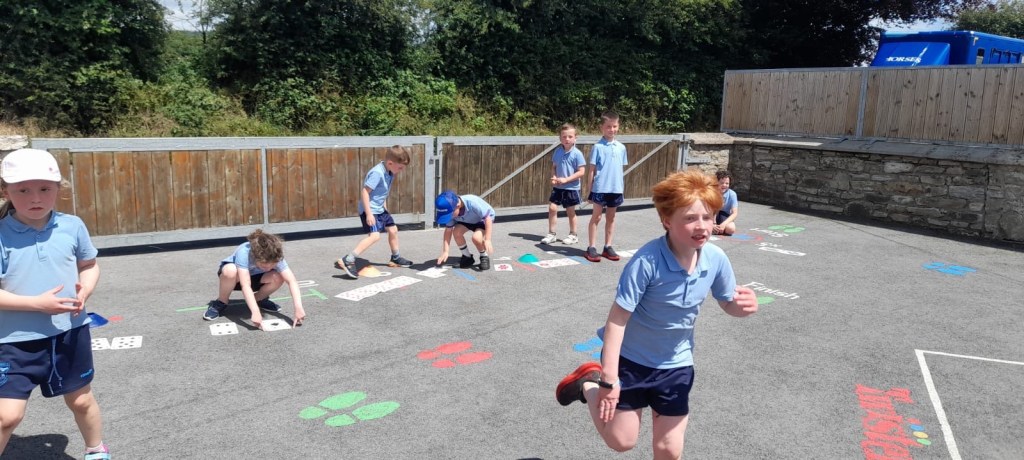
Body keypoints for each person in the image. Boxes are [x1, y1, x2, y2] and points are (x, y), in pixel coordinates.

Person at [555, 169, 758, 460]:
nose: (702, 226)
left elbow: (728, 303)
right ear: (666, 220)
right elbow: (617, 321)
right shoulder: (646, 262)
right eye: (690, 218)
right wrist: (609, 379)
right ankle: (588, 385)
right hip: (631, 362)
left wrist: (743, 307)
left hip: (676, 365)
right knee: (621, 441)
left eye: (707, 217)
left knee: (669, 450)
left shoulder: (716, 259)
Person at [0, 149, 110, 459]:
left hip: (69, 333)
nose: (35, 197)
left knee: (81, 400)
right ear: (5, 191)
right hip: (14, 343)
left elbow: (89, 265)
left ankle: (96, 449)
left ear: (58, 189)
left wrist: (85, 291)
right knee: (7, 416)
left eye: (44, 189)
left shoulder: (72, 225)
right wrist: (37, 304)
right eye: (23, 190)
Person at [203, 229, 306, 330]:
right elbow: (245, 285)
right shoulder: (244, 251)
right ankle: (221, 302)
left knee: (279, 276)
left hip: (257, 278)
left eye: (272, 265)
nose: (269, 269)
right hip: (236, 279)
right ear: (255, 257)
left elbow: (291, 281)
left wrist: (298, 308)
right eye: (264, 266)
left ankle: (259, 299)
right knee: (230, 271)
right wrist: (255, 312)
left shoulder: (275, 254)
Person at [336, 145, 413, 279]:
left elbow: (381, 193)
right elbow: (365, 192)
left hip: (380, 209)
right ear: (390, 163)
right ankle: (348, 259)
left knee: (393, 230)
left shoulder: (389, 172)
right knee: (375, 236)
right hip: (370, 210)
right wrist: (369, 214)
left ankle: (395, 257)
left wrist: (385, 209)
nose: (401, 170)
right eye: (400, 167)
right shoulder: (377, 173)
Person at [585, 111, 628, 262]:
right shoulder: (597, 147)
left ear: (618, 126)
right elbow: (591, 170)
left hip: (615, 189)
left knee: (611, 217)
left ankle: (607, 246)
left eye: (614, 126)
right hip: (600, 188)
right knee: (596, 217)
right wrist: (590, 191)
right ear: (602, 128)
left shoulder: (621, 147)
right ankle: (591, 247)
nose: (612, 129)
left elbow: (619, 169)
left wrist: (621, 188)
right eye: (608, 126)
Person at [540, 123, 587, 246]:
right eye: (564, 137)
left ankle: (573, 235)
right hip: (558, 187)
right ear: (560, 138)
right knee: (552, 208)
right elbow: (554, 167)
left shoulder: (577, 154)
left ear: (575, 138)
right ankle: (551, 234)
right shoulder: (557, 151)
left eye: (570, 137)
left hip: (571, 188)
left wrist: (566, 180)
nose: (567, 139)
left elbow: (581, 172)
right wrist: (554, 177)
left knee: (570, 211)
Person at [434, 190, 495, 271]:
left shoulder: (472, 202)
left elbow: (488, 219)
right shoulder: (452, 210)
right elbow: (448, 231)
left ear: (458, 205)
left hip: (482, 220)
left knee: (476, 238)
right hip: (466, 220)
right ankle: (467, 257)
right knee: (456, 232)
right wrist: (445, 251)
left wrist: (487, 239)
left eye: (449, 214)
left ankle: (484, 256)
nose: (449, 217)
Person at [713, 170, 738, 236]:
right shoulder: (712, 192)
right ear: (716, 182)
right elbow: (710, 210)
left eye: (727, 183)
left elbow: (734, 213)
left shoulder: (732, 194)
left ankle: (719, 228)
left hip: (724, 215)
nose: (724, 185)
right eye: (722, 183)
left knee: (731, 229)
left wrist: (723, 224)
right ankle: (714, 228)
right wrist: (713, 223)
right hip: (711, 214)